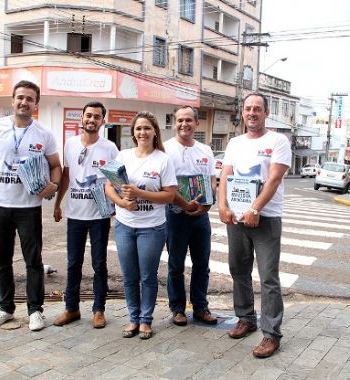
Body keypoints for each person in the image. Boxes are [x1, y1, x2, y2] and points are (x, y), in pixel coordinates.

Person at [0, 80, 62, 331]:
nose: (24, 102)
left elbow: (56, 165)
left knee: (33, 260)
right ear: (12, 100)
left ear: (36, 104)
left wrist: (53, 185)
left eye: (29, 99)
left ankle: (35, 311)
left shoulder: (44, 134)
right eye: (20, 97)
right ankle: (5, 308)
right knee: (2, 259)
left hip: (28, 208)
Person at [218, 92, 291, 359]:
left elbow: (274, 179)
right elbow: (225, 176)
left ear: (266, 113)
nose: (252, 113)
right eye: (248, 108)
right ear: (243, 112)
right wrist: (222, 206)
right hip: (237, 219)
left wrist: (255, 209)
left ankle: (271, 334)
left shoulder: (278, 141)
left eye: (257, 109)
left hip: (266, 218)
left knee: (268, 277)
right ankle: (246, 318)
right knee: (238, 270)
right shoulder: (235, 143)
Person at [105, 111, 177, 340]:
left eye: (147, 128)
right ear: (133, 133)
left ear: (155, 131)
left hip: (152, 228)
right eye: (138, 129)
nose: (142, 132)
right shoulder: (123, 155)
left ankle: (146, 320)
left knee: (147, 276)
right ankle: (133, 318)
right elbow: (108, 187)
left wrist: (138, 193)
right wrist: (123, 203)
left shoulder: (163, 160)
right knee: (128, 276)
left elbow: (169, 196)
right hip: (125, 226)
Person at [52, 101, 119, 329]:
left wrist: (115, 206)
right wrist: (58, 204)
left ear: (102, 121)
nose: (92, 120)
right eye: (88, 115)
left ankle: (99, 310)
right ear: (81, 118)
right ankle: (71, 308)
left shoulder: (109, 148)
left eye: (97, 116)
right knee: (73, 264)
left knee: (99, 264)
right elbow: (67, 176)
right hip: (75, 216)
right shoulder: (70, 144)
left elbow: (116, 180)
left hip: (99, 216)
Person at [164, 106, 217, 327]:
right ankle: (177, 309)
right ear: (174, 123)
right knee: (175, 264)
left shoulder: (205, 150)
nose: (184, 124)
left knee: (202, 264)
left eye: (188, 120)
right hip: (175, 214)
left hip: (201, 216)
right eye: (179, 120)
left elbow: (212, 181)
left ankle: (200, 307)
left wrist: (207, 205)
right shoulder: (164, 149)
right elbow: (163, 184)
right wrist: (183, 204)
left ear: (196, 123)